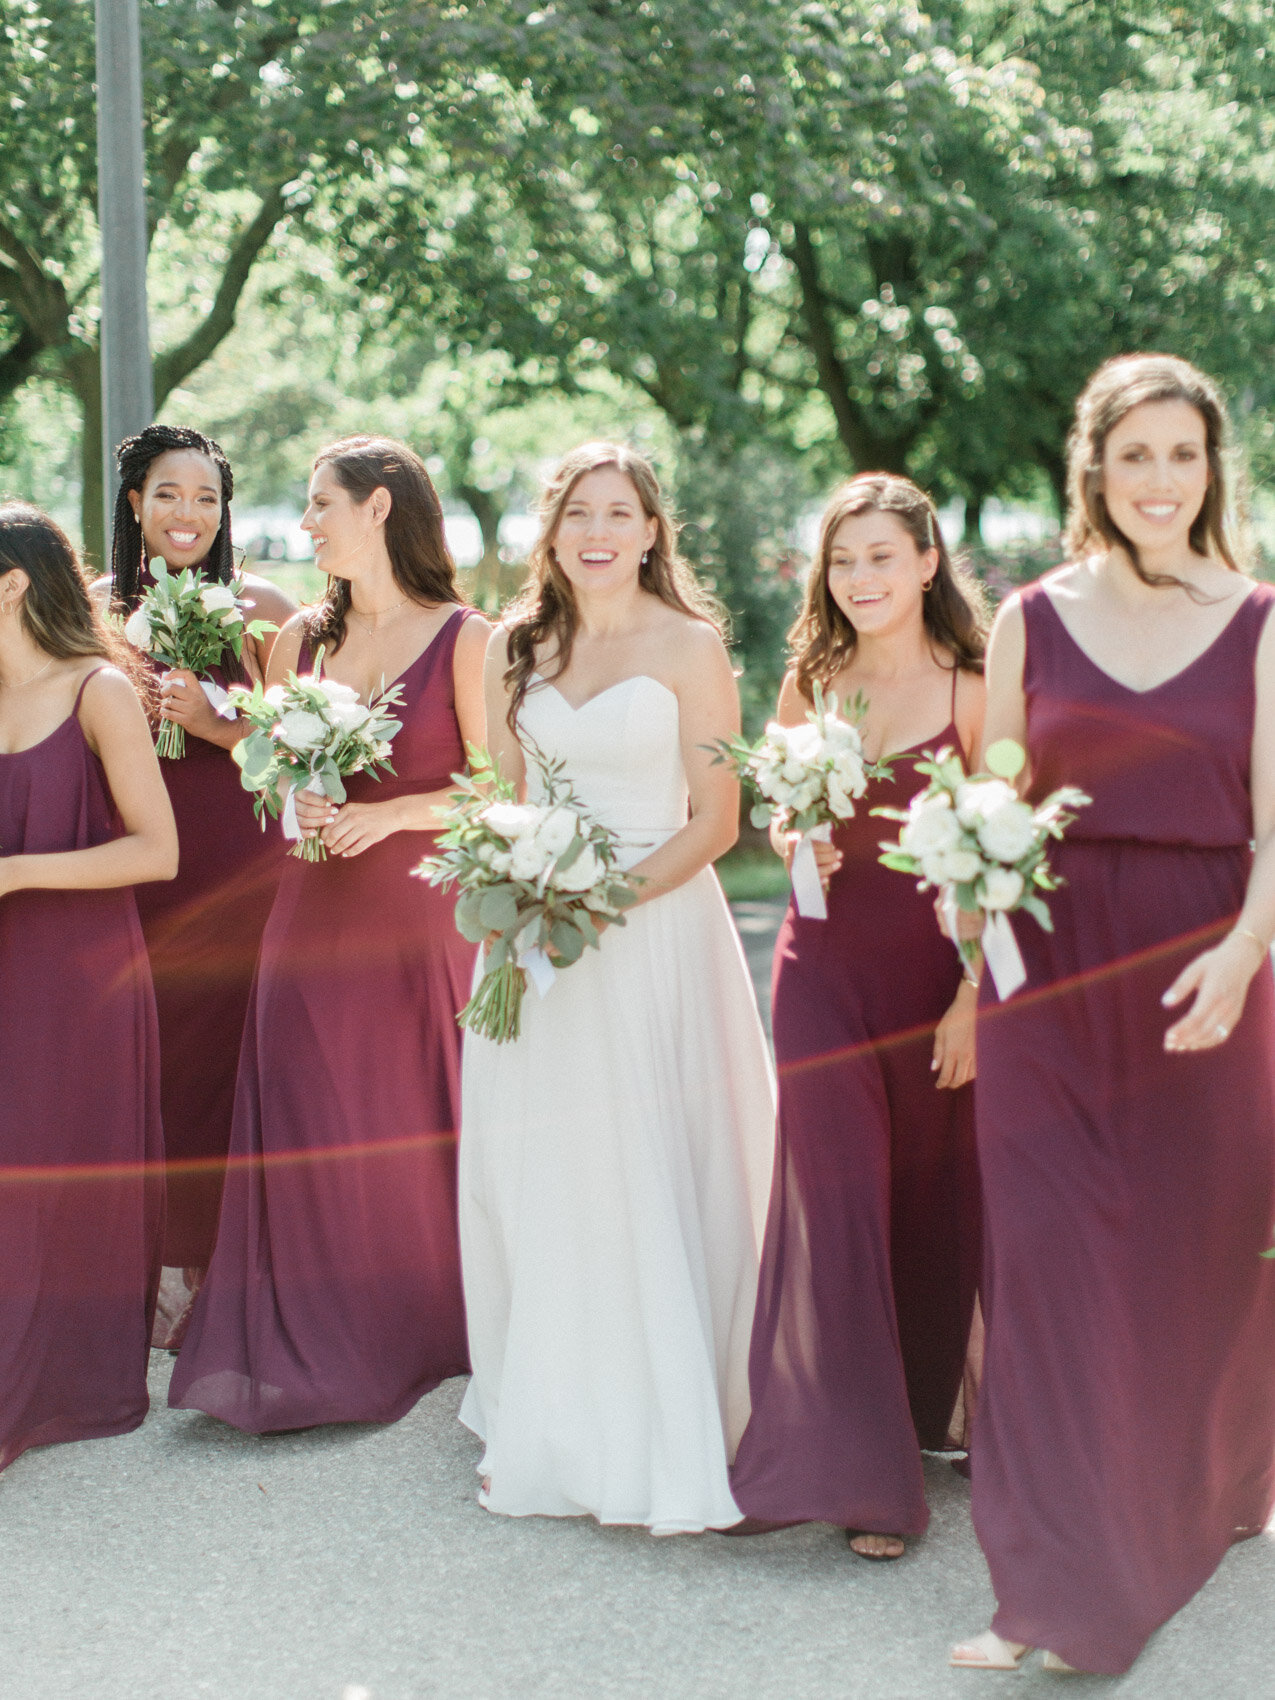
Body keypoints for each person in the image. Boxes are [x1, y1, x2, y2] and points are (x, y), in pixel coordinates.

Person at [950, 354, 1275, 1674]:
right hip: (1047, 971)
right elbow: (992, 804)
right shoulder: (1028, 611)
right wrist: (964, 922)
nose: (1155, 481)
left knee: (1181, 1260)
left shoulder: (1259, 620)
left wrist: (1244, 953)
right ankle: (1050, 1587)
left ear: (1210, 471)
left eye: (1178, 456)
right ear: (1091, 466)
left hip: (1204, 970)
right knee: (1042, 1257)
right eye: (1131, 455)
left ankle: (1184, 1496)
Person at [458, 442, 775, 1534]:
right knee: (539, 1169)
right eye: (578, 511)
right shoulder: (514, 646)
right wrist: (518, 891)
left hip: (651, 935)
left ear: (651, 531)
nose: (598, 530)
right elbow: (497, 796)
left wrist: (602, 900)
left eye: (621, 512)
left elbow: (720, 821)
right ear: (551, 531)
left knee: (638, 1165)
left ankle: (660, 1415)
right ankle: (539, 1414)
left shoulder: (691, 646)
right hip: (533, 948)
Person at [169, 435, 488, 1432]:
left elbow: (498, 787)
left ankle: (424, 1323)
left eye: (319, 504)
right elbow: (272, 765)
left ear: (380, 507)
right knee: (307, 1113)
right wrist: (297, 791)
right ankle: (305, 1330)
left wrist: (388, 815)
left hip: (416, 918)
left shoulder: (469, 636)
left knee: (406, 1120)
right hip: (309, 907)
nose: (303, 524)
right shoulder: (296, 639)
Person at [728, 474, 986, 1558]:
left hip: (942, 977)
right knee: (834, 1205)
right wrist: (795, 835)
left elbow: (1018, 845)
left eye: (882, 556)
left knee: (936, 1204)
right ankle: (866, 1476)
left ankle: (930, 1415)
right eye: (844, 560)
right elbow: (777, 806)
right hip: (823, 968)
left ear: (928, 562)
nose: (862, 578)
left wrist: (978, 995)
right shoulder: (814, 677)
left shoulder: (976, 684)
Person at [0, 502, 177, 1470]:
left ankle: (46, 1378)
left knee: (41, 1174)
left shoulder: (99, 688)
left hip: (77, 982)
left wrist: (18, 872)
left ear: (14, 581)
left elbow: (159, 850)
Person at [109, 425, 295, 1341]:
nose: (189, 514)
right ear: (135, 503)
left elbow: (303, 749)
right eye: (169, 495)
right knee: (151, 1063)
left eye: (207, 498)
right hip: (140, 867)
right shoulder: (95, 608)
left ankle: (220, 1273)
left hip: (238, 867)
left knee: (228, 1059)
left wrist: (215, 721)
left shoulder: (260, 604)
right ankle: (145, 1266)